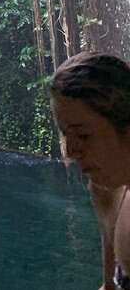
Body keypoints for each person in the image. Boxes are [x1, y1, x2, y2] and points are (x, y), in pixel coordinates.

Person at [50, 51, 130, 290]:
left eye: (83, 135)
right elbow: (110, 287)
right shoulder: (108, 192)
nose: (71, 151)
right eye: (66, 134)